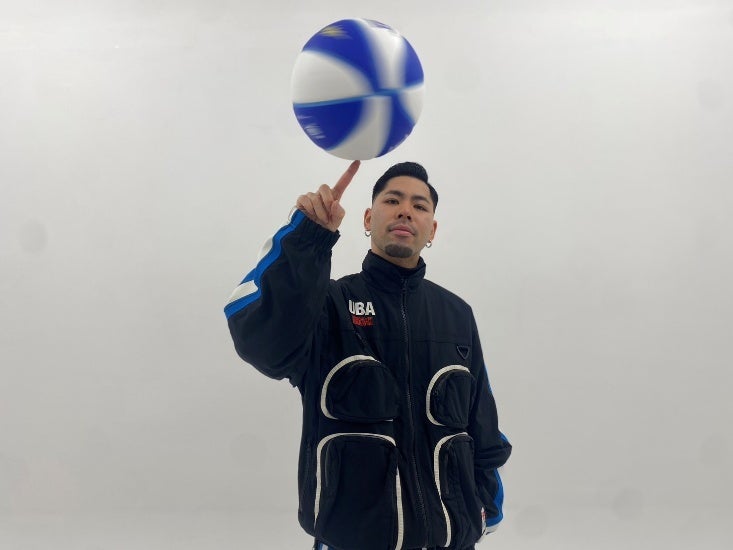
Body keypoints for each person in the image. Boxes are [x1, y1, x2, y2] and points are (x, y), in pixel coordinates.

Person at [224, 161, 512, 550]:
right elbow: (261, 341)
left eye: (419, 205)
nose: (405, 210)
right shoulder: (326, 305)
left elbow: (482, 424)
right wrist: (308, 239)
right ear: (367, 218)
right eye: (392, 200)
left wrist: (485, 510)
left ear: (432, 230)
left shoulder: (457, 314)